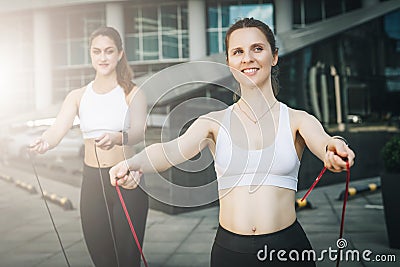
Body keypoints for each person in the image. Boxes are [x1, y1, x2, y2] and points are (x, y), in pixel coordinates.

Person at [109, 18, 355, 267]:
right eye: (238, 52)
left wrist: (335, 148)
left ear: (274, 56)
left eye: (257, 49)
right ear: (229, 63)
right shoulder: (212, 123)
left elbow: (326, 143)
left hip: (287, 251)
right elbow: (170, 150)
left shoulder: (297, 120)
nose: (247, 58)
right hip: (230, 253)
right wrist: (134, 162)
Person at [30, 26, 149, 267]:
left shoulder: (133, 93)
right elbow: (57, 129)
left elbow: (139, 132)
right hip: (92, 183)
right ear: (91, 54)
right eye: (97, 52)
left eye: (108, 51)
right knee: (102, 259)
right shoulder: (78, 95)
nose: (103, 57)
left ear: (119, 54)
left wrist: (117, 137)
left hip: (127, 180)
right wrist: (45, 141)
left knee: (127, 261)